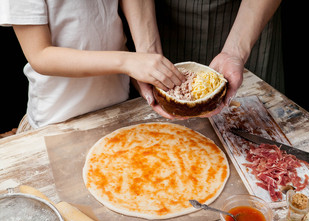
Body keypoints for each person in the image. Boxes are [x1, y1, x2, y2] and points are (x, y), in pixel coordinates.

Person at [0, 0, 184, 131]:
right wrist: (129, 61)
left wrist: (147, 62)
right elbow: (40, 55)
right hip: (57, 119)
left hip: (118, 105)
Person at [135, 0, 283, 118]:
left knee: (259, 117)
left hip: (248, 19)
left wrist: (235, 52)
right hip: (160, 20)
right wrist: (148, 53)